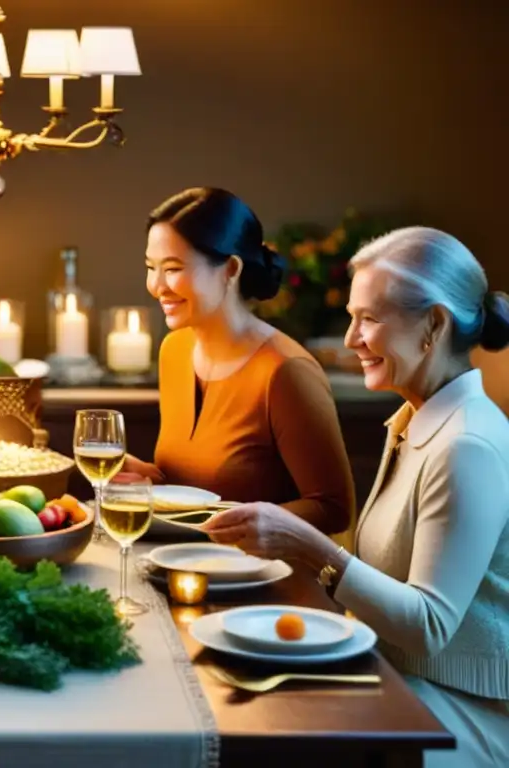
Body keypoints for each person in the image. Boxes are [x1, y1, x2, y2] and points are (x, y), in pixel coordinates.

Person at [202, 227, 509, 766]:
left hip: (466, 715)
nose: (350, 338)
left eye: (369, 318)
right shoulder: (416, 417)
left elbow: (428, 627)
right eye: (351, 316)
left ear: (433, 325)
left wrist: (310, 546)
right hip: (401, 682)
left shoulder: (468, 446)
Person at [122, 187, 354, 534]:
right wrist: (152, 480)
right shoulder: (174, 350)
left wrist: (246, 524)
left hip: (264, 577)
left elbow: (333, 509)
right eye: (150, 267)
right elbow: (205, 485)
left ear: (230, 269)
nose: (157, 286)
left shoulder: (286, 371)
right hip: (184, 566)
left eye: (172, 268)